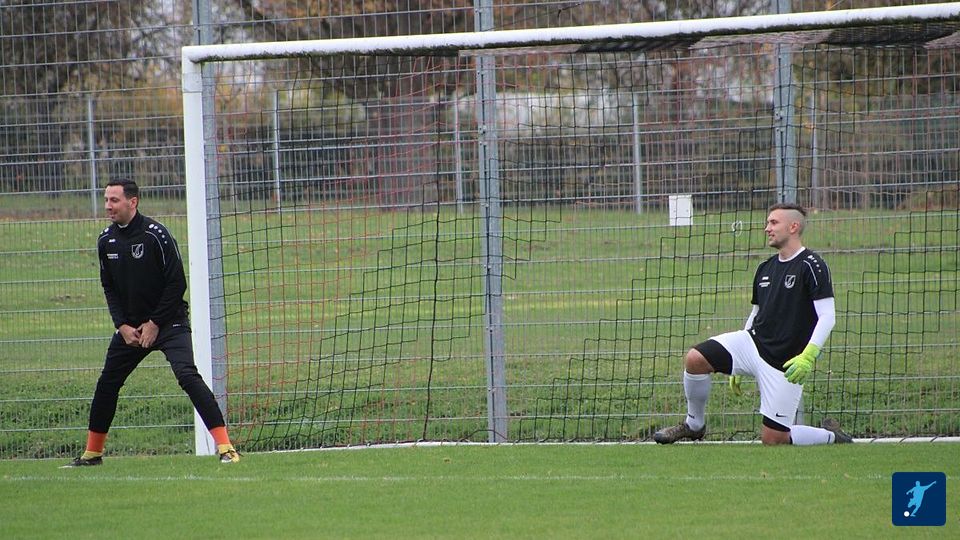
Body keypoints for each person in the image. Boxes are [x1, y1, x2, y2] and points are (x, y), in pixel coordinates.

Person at [64, 178, 240, 466]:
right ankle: (92, 454)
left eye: (114, 200)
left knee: (187, 376)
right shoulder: (105, 240)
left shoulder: (156, 235)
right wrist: (122, 326)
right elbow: (109, 287)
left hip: (168, 322)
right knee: (107, 383)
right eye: (106, 200)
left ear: (132, 202)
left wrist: (155, 323)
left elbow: (177, 283)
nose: (108, 206)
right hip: (131, 330)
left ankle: (226, 448)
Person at [654, 202, 852, 446]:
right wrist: (739, 357)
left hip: (784, 362)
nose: (767, 228)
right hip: (753, 343)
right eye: (767, 222)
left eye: (773, 222)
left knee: (774, 440)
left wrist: (808, 355)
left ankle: (832, 436)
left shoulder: (812, 265)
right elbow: (757, 312)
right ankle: (694, 426)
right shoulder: (765, 268)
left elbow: (827, 316)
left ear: (793, 227)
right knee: (696, 359)